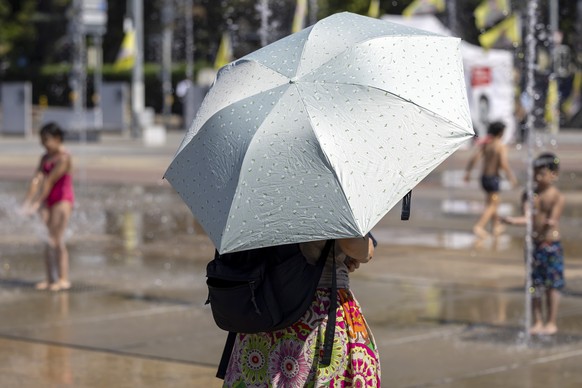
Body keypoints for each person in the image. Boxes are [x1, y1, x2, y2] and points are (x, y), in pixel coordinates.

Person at [222, 236, 380, 387]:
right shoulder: (329, 205)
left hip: (263, 309)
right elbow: (352, 245)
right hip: (317, 311)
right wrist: (367, 248)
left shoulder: (252, 206)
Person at [503, 152, 565, 335]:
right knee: (534, 284)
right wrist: (513, 221)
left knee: (552, 285)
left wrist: (551, 222)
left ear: (554, 175)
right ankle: (537, 320)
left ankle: (551, 321)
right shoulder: (529, 194)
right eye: (535, 173)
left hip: (551, 244)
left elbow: (553, 217)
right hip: (533, 245)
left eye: (542, 173)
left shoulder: (556, 196)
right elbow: (528, 217)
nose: (537, 177)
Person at [22, 122, 75, 291]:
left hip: (62, 199)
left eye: (46, 139)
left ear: (57, 139)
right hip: (47, 199)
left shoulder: (64, 158)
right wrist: (27, 202)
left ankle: (63, 278)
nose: (43, 143)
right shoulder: (45, 157)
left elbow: (50, 181)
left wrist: (36, 202)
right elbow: (36, 179)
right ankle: (50, 278)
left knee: (57, 240)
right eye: (41, 139)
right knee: (46, 239)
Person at [464, 121, 518, 239]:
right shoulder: (500, 146)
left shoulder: (486, 144)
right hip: (493, 179)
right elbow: (503, 164)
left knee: (493, 202)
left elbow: (474, 158)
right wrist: (511, 177)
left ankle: (495, 226)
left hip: (484, 178)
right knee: (493, 205)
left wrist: (468, 172)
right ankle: (479, 226)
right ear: (501, 133)